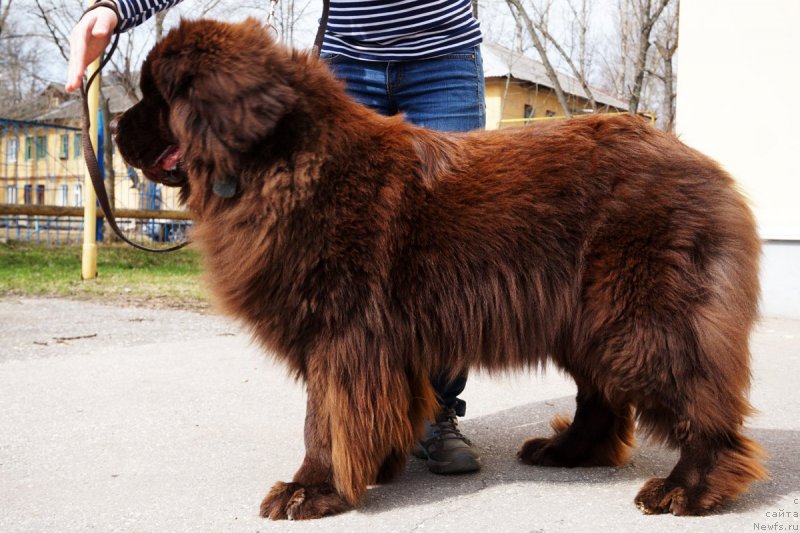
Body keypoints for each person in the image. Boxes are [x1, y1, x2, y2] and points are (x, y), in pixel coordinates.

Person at [66, 0, 484, 475]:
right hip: (350, 60)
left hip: (445, 57)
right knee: (339, 284)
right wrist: (118, 8)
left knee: (446, 255)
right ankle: (364, 427)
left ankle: (437, 412)